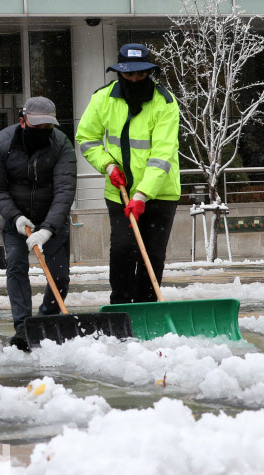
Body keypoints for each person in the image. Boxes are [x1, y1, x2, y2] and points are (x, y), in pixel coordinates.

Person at [76, 43, 180, 305]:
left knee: (152, 254)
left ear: (149, 72)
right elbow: (87, 139)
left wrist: (143, 195)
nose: (135, 79)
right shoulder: (102, 99)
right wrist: (108, 166)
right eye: (129, 74)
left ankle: (147, 305)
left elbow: (162, 153)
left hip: (160, 193)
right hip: (119, 191)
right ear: (119, 72)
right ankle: (120, 305)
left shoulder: (164, 103)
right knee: (123, 249)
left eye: (141, 74)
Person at [0, 97, 77, 351]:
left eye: (47, 128)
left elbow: (65, 190)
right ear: (22, 121)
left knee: (59, 277)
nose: (43, 133)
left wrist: (48, 228)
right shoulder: (1, 144)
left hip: (53, 218)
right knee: (16, 266)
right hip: (16, 217)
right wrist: (15, 217)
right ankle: (23, 326)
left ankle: (47, 319)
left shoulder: (61, 144)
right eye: (37, 127)